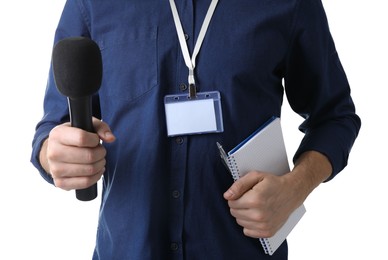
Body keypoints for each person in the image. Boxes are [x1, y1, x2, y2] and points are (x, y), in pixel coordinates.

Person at [31, 0, 361, 259]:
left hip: (239, 251)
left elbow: (335, 116)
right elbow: (54, 128)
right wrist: (54, 154)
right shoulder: (91, 2)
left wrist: (295, 187)